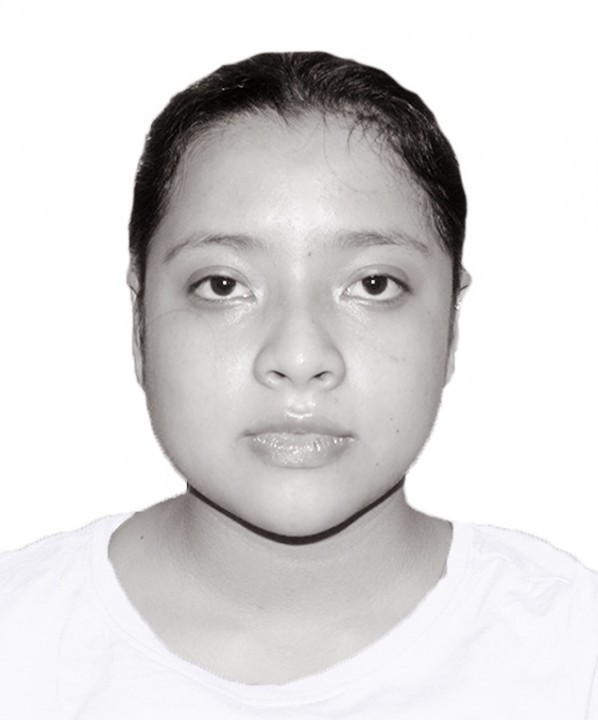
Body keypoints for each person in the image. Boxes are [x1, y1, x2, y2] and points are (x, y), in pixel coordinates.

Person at [1, 51, 596, 718]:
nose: (300, 356)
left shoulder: (571, 655)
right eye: (222, 285)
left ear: (451, 325)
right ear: (140, 320)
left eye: (374, 284)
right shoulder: (18, 646)